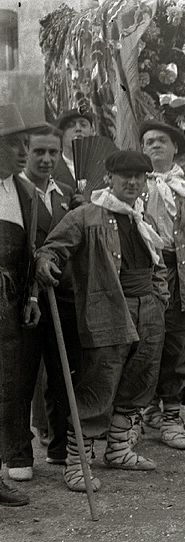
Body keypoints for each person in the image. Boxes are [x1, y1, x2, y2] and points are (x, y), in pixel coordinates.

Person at [35, 150, 168, 492]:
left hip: (148, 310)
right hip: (107, 307)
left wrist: (159, 297)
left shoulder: (144, 219)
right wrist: (47, 262)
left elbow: (159, 265)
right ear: (109, 177)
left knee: (140, 379)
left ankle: (120, 449)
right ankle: (78, 463)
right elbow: (52, 248)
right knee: (100, 383)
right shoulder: (87, 216)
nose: (132, 182)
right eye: (125, 175)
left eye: (139, 177)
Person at [138, 120, 185, 449]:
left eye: (162, 141)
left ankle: (172, 417)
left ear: (174, 149)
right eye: (149, 141)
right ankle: (140, 413)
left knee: (179, 346)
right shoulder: (132, 185)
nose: (155, 146)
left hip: (184, 275)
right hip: (144, 275)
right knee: (144, 344)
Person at [20, 125, 78, 470]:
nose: (45, 159)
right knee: (22, 376)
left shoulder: (67, 193)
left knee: (62, 374)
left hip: (62, 294)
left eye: (52, 152)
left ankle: (60, 447)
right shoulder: (13, 190)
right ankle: (18, 452)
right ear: (25, 151)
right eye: (38, 151)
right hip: (23, 298)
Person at [0, 104, 42, 506]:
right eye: (15, 144)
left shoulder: (25, 192)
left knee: (8, 390)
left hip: (11, 304)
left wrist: (30, 296)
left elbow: (28, 253)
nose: (24, 152)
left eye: (26, 144)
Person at [51, 109, 95, 189]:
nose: (78, 128)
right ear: (61, 134)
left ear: (92, 132)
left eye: (83, 125)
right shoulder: (50, 169)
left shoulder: (106, 168)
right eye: (71, 125)